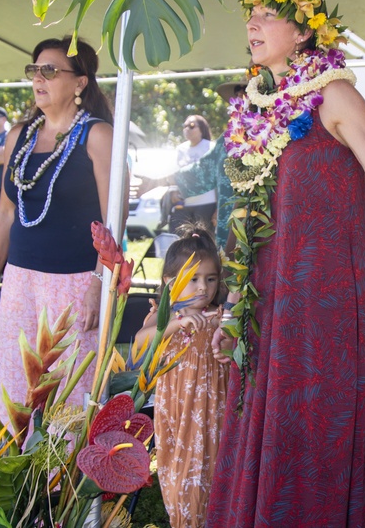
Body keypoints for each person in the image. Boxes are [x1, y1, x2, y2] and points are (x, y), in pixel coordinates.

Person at [206, 0, 365, 527]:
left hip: (323, 296)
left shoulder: (335, 95)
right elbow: (246, 220)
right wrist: (232, 306)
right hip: (267, 294)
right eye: (251, 15)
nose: (253, 22)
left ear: (303, 34)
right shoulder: (256, 108)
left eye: (268, 14)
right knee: (263, 416)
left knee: (314, 419)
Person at [0, 36, 114, 428]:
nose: (38, 78)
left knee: (70, 389)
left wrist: (99, 283)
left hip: (75, 280)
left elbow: (113, 220)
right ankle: (19, 482)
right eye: (34, 70)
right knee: (17, 386)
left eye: (49, 70)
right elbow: (4, 213)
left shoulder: (98, 135)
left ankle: (64, 486)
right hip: (20, 278)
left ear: (80, 82)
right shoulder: (20, 135)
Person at [135, 223, 227, 528]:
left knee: (213, 472)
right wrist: (177, 322)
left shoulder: (222, 316)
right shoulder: (162, 316)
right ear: (169, 281)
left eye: (210, 279)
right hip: (177, 410)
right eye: (193, 279)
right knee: (180, 472)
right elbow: (139, 344)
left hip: (215, 411)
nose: (203, 288)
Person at [143, 81, 246, 251]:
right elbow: (202, 171)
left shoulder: (276, 127)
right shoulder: (228, 137)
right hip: (230, 222)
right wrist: (156, 181)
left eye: (246, 93)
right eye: (237, 95)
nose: (240, 99)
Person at [169, 114, 216, 231]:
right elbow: (176, 172)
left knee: (203, 238)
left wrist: (218, 208)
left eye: (191, 126)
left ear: (202, 129)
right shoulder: (181, 149)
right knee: (185, 238)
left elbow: (218, 177)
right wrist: (174, 190)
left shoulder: (211, 147)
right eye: (184, 126)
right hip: (185, 202)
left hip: (207, 201)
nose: (187, 129)